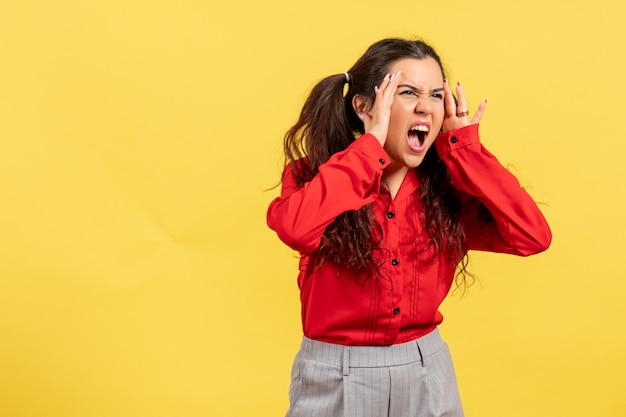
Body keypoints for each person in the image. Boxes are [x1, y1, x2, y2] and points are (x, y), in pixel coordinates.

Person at [266, 38, 551, 417]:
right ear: (364, 106)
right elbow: (295, 228)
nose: (424, 106)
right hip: (337, 376)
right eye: (407, 92)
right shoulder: (314, 177)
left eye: (436, 95)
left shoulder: (448, 194)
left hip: (425, 369)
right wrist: (369, 148)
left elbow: (532, 235)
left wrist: (465, 150)